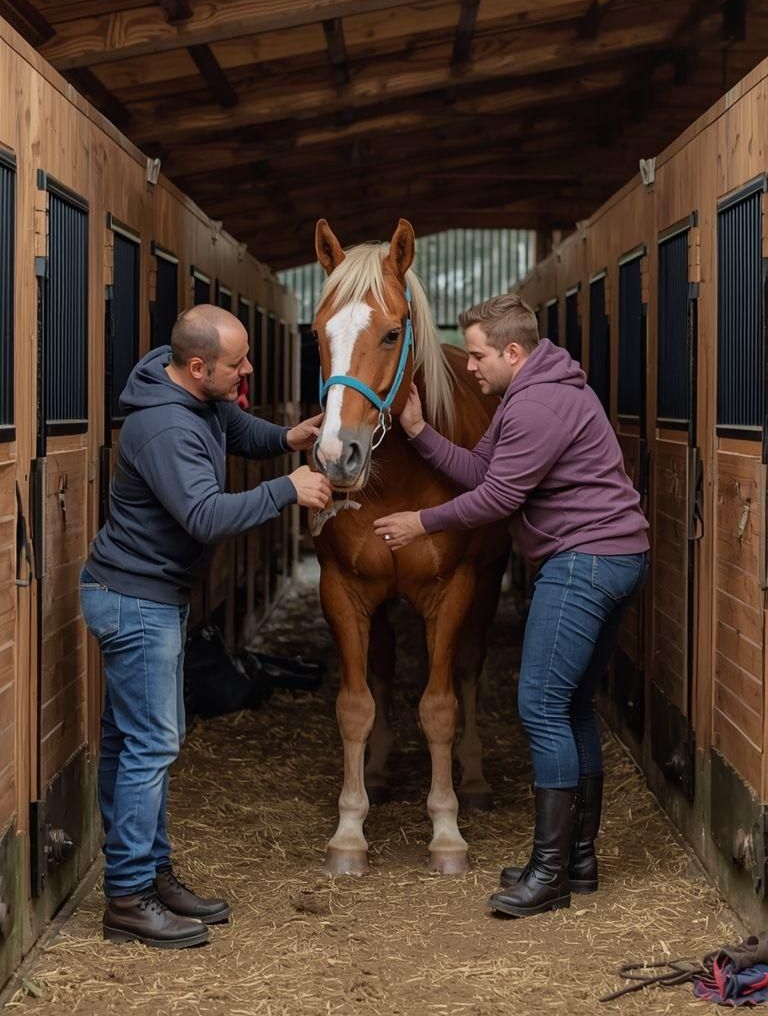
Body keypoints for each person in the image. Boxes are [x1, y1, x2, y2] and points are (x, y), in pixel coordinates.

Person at [373, 293, 649, 919]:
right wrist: (417, 431)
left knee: (540, 705)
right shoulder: (528, 395)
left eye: (476, 356)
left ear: (513, 352)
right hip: (608, 555)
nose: (468, 367)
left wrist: (421, 521)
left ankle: (547, 874)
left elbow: (495, 498)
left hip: (586, 560)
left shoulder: (538, 405)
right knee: (573, 705)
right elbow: (477, 468)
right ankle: (576, 861)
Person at [80, 304, 332, 949]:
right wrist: (289, 489)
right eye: (237, 363)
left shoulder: (195, 399)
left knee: (129, 744)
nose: (248, 370)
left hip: (141, 594)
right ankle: (130, 897)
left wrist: (287, 438)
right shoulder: (165, 428)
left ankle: (151, 876)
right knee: (153, 745)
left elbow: (238, 429)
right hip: (137, 601)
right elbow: (205, 514)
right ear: (198, 368)